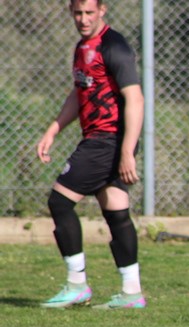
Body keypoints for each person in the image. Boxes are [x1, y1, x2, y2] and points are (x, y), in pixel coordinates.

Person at [36, 0, 146, 309]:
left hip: (107, 141)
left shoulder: (114, 46)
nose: (83, 19)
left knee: (59, 202)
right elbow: (79, 91)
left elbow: (135, 99)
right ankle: (131, 293)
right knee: (117, 214)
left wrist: (127, 152)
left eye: (89, 13)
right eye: (78, 13)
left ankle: (77, 285)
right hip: (102, 141)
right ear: (71, 12)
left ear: (102, 10)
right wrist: (54, 129)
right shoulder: (83, 47)